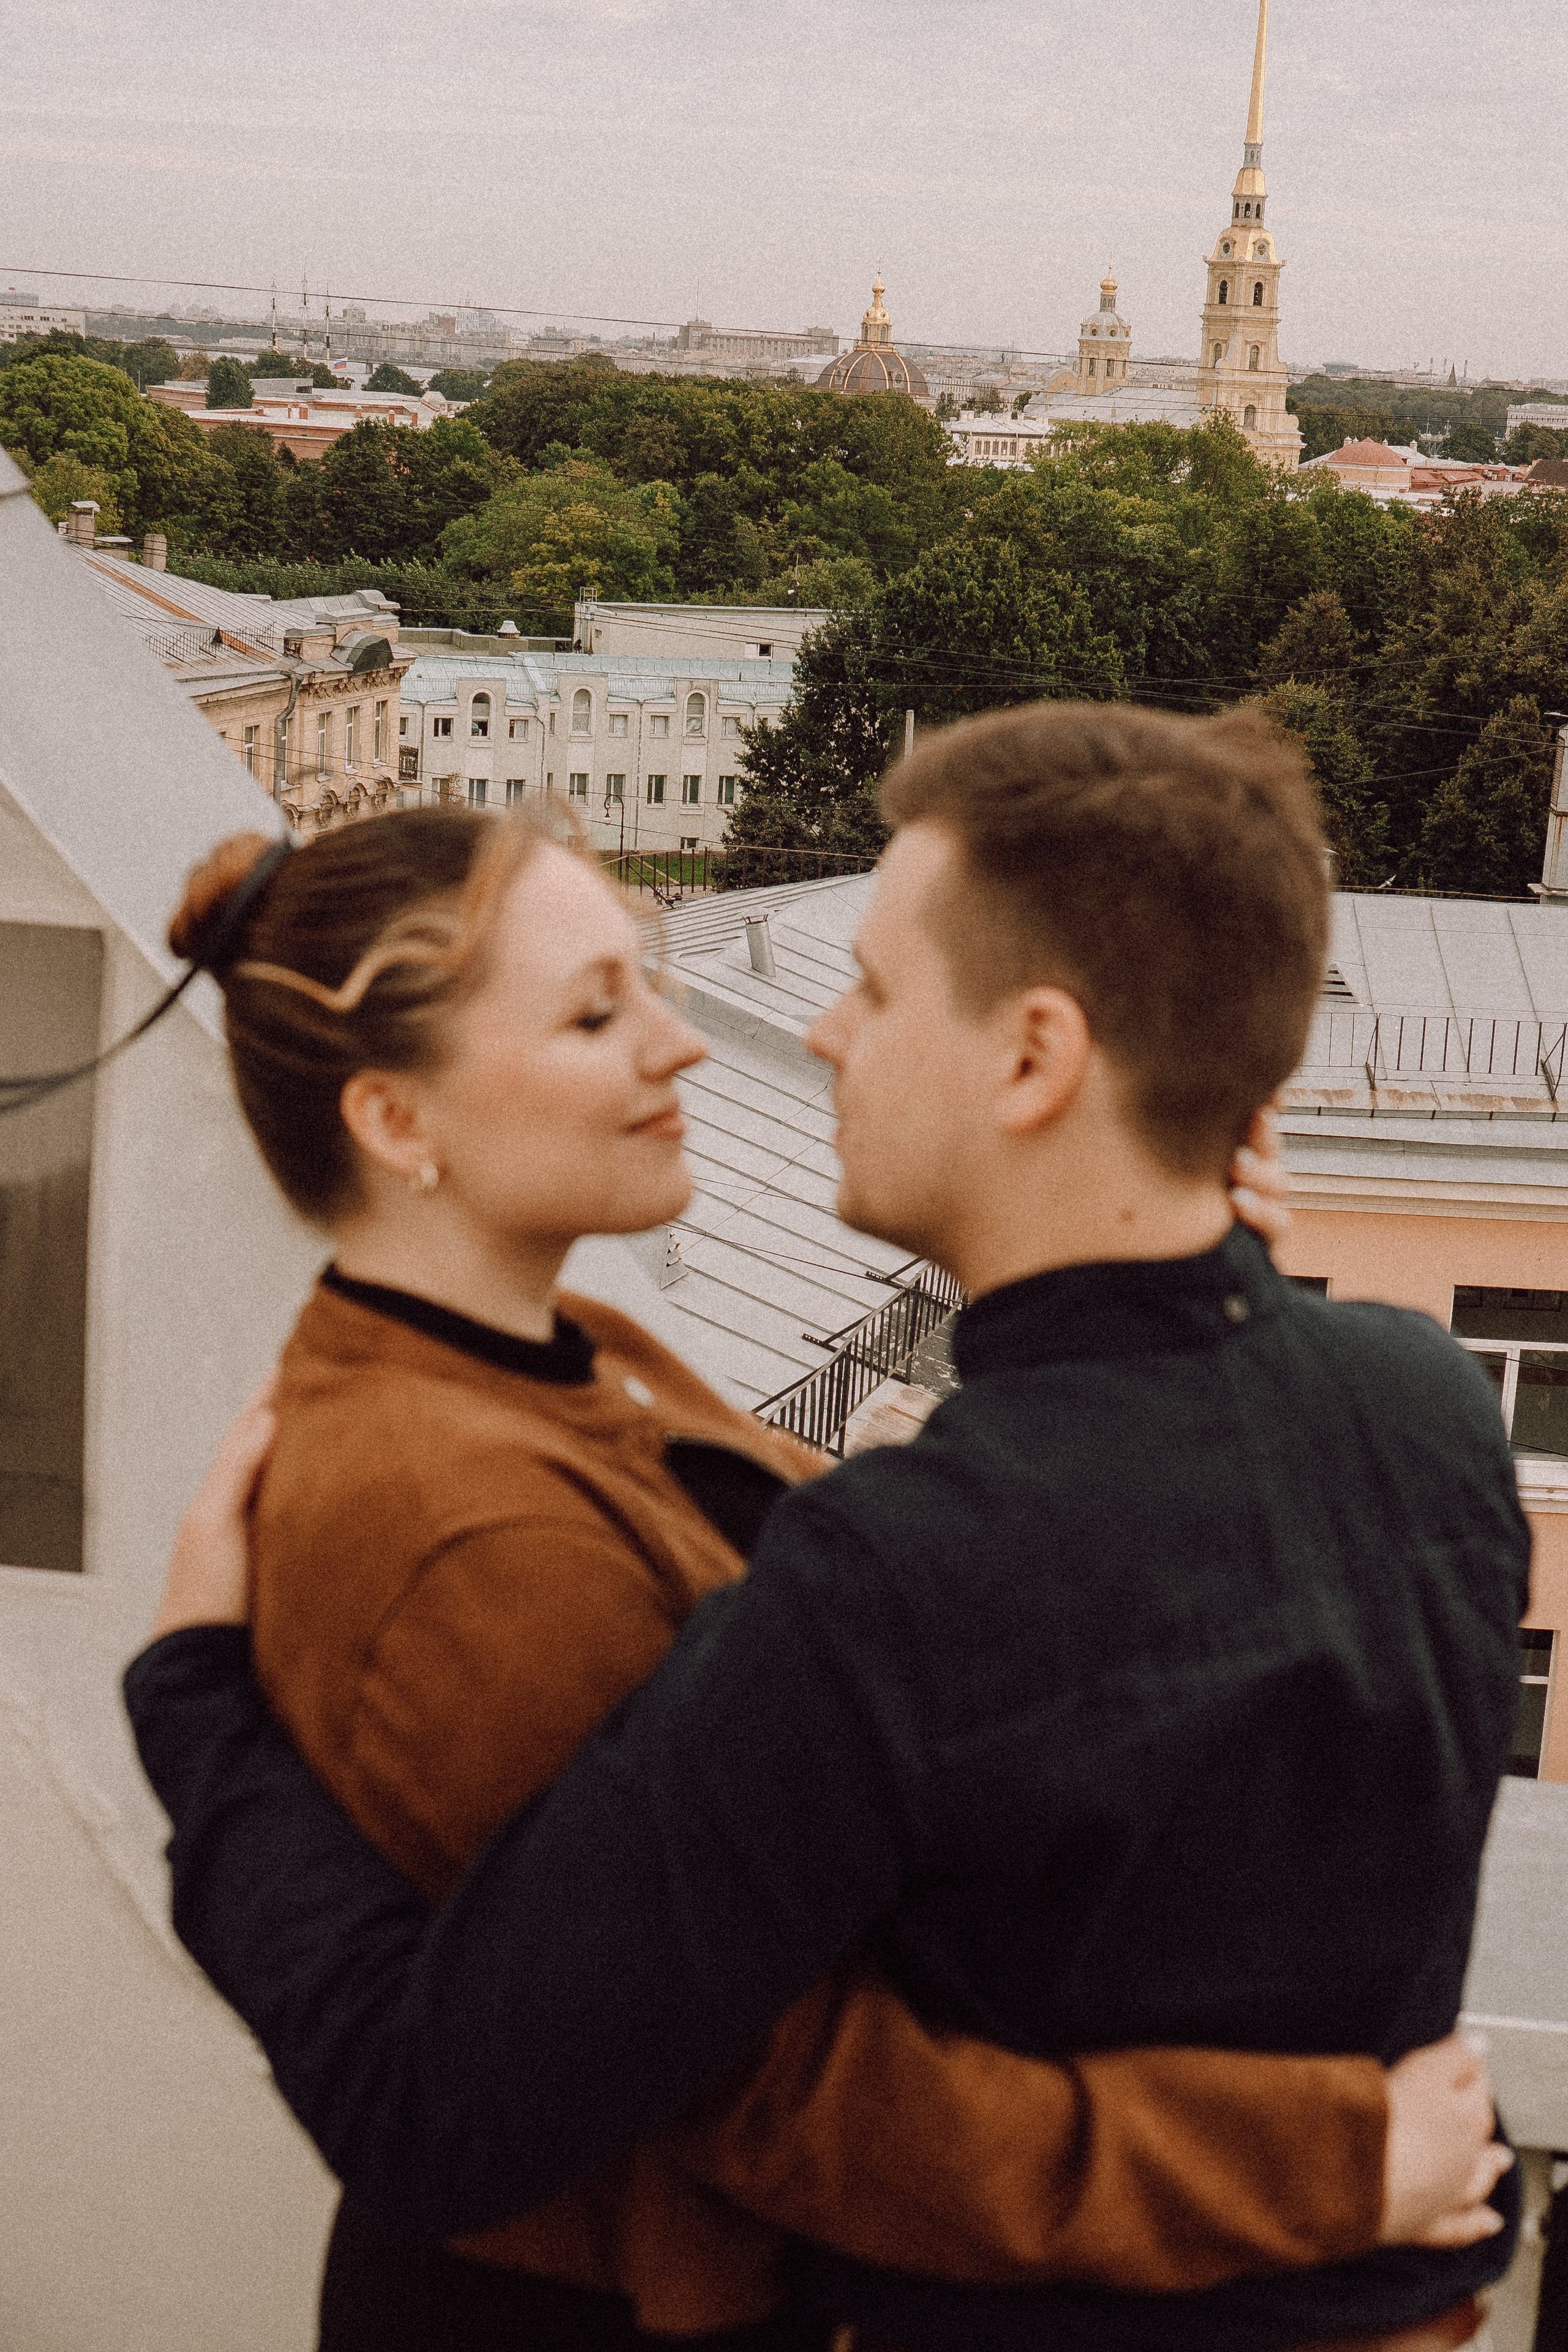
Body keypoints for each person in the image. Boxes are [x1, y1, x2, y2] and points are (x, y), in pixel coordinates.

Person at [127, 704, 1528, 2352]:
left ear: (1036, 1059)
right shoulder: (1428, 1401)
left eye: (869, 987)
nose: (799, 1038)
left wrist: (196, 1711)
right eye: (599, 1007)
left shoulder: (890, 1564)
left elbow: (486, 2089)